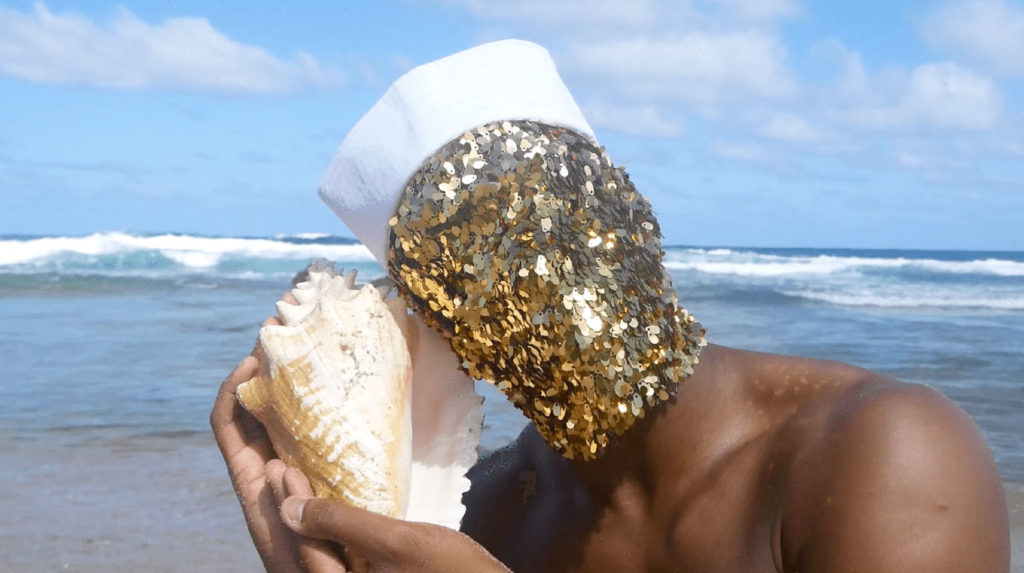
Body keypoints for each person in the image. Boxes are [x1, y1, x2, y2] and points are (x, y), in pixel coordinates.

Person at [211, 40, 1010, 572]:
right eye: (472, 259)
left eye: (560, 214)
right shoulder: (481, 516)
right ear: (443, 326)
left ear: (633, 212)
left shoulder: (880, 451)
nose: (538, 271)